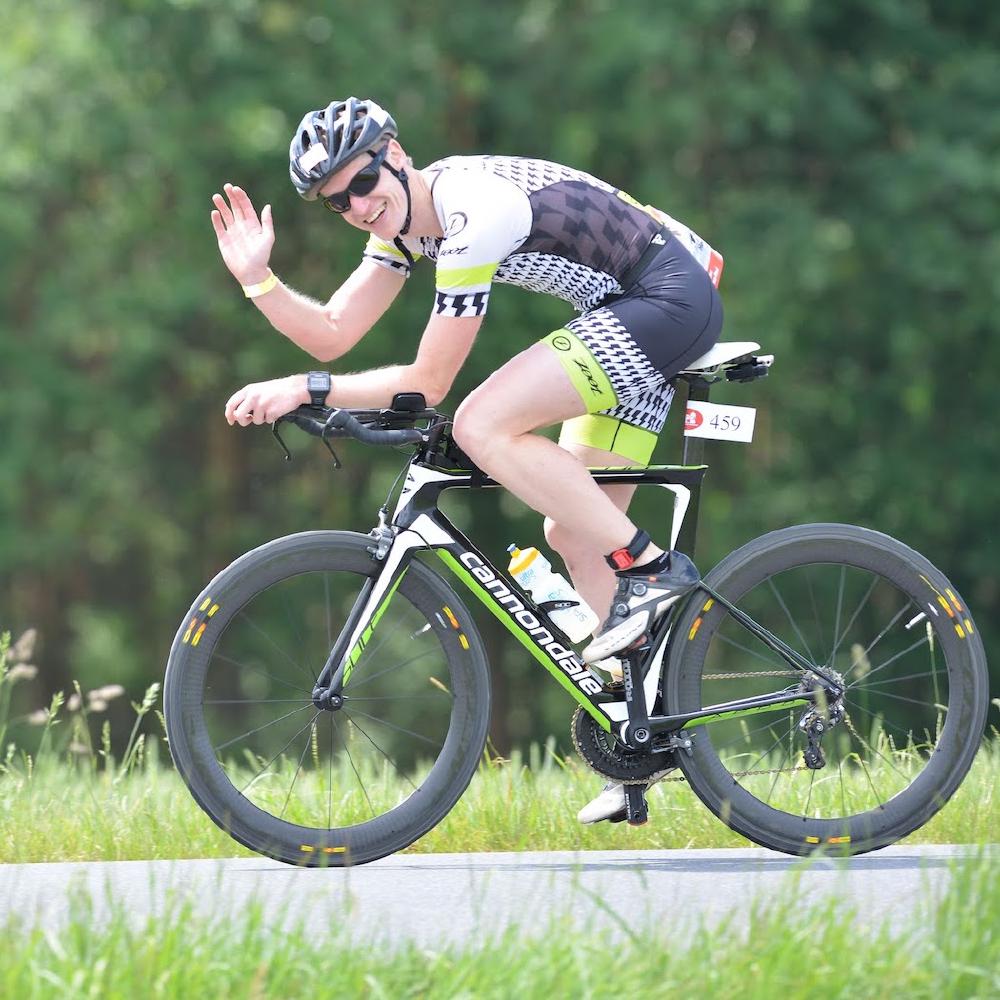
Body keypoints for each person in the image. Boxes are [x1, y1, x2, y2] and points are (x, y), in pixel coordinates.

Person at [212, 96, 723, 824]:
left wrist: (301, 390)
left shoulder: (468, 211)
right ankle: (641, 737)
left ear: (395, 153)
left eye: (362, 183)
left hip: (665, 300)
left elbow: (428, 384)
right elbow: (332, 332)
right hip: (626, 309)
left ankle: (653, 570)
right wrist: (257, 282)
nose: (357, 206)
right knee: (575, 533)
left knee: (482, 422)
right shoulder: (404, 233)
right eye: (335, 203)